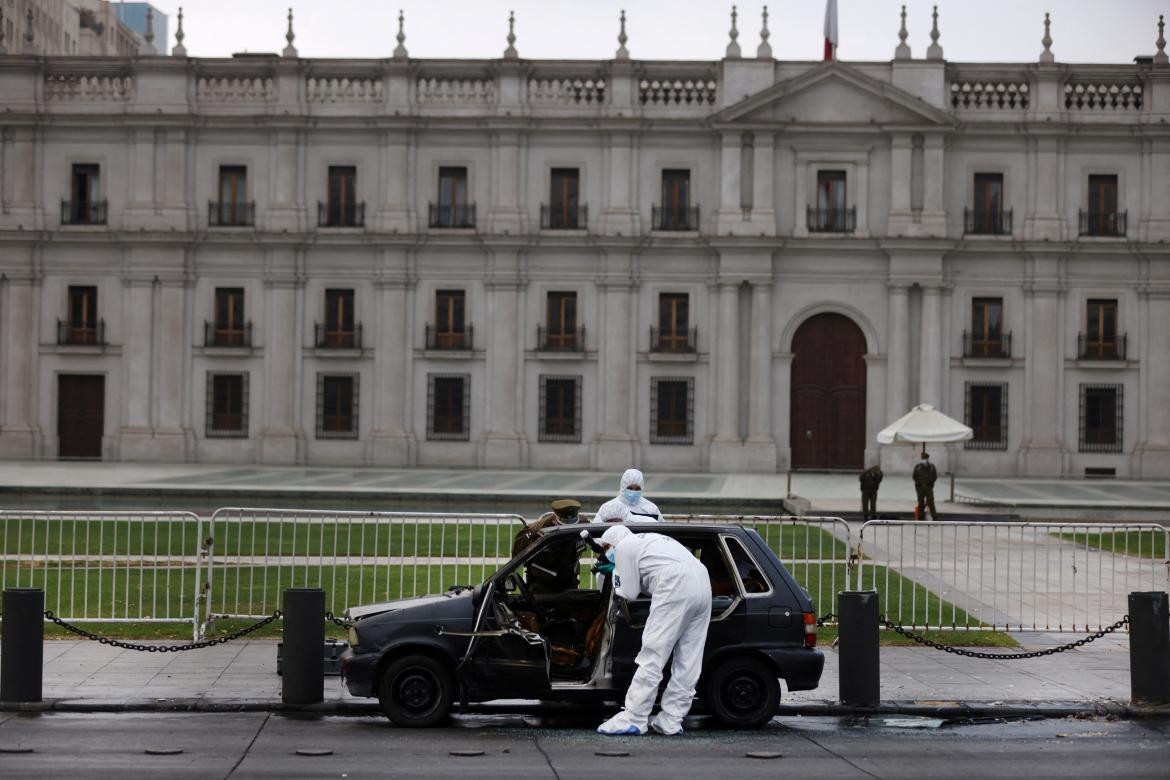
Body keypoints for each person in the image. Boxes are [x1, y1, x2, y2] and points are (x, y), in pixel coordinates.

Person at [595, 525, 712, 736]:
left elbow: (629, 593)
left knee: (653, 653)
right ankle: (671, 720)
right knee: (689, 658)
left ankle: (634, 717)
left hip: (675, 582)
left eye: (605, 548)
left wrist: (616, 573)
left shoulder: (624, 547)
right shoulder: (651, 539)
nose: (606, 553)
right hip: (702, 580)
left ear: (612, 542)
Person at [594, 468, 662, 523]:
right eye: (630, 488)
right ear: (623, 487)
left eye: (637, 489)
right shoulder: (609, 508)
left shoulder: (651, 509)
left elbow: (663, 529)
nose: (633, 492)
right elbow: (596, 532)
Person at [912, 451, 938, 521]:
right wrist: (918, 482)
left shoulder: (931, 467)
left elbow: (935, 476)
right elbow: (914, 476)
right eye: (922, 458)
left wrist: (931, 482)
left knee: (930, 502)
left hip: (928, 487)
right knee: (921, 502)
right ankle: (921, 517)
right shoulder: (918, 467)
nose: (923, 459)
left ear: (927, 458)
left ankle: (934, 516)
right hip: (920, 487)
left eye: (924, 458)